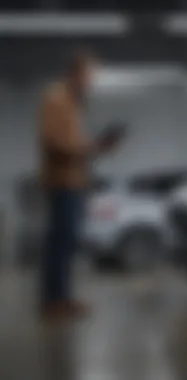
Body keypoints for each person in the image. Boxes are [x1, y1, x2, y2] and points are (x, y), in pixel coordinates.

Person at [38, 51, 123, 320]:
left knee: (67, 240)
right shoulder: (56, 99)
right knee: (61, 240)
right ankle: (53, 300)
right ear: (74, 74)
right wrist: (93, 146)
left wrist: (98, 147)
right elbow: (55, 143)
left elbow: (71, 143)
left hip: (74, 180)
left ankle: (62, 296)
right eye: (88, 76)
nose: (91, 82)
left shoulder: (72, 103)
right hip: (63, 181)